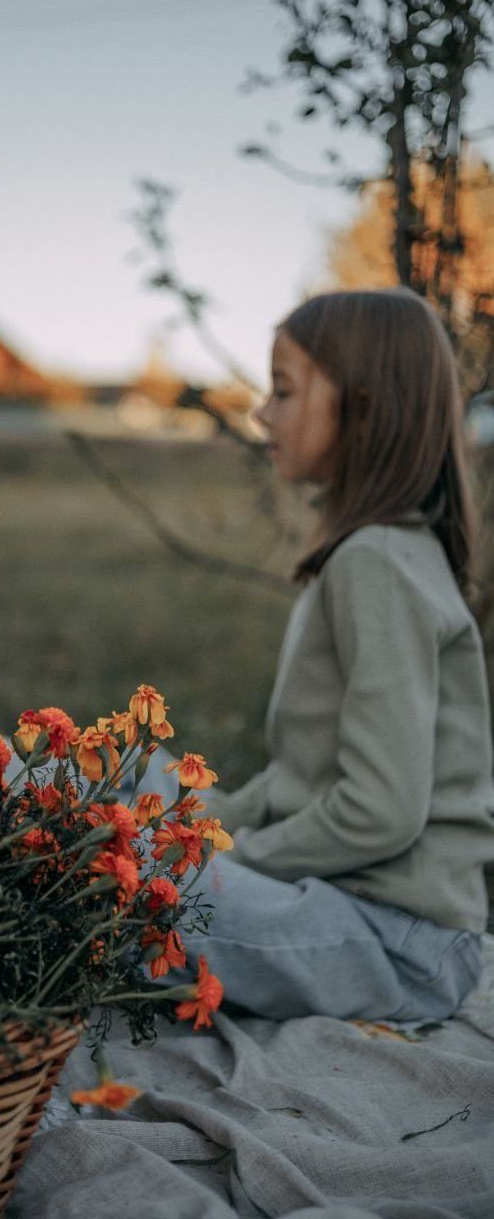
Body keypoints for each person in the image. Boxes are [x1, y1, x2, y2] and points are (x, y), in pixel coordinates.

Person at [172, 287, 494, 1021]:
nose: (261, 411)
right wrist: (205, 821)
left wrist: (224, 860)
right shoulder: (378, 551)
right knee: (136, 794)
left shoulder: (375, 562)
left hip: (399, 944)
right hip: (363, 917)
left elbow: (379, 812)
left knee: (122, 894)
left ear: (363, 406)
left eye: (283, 390)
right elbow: (304, 779)